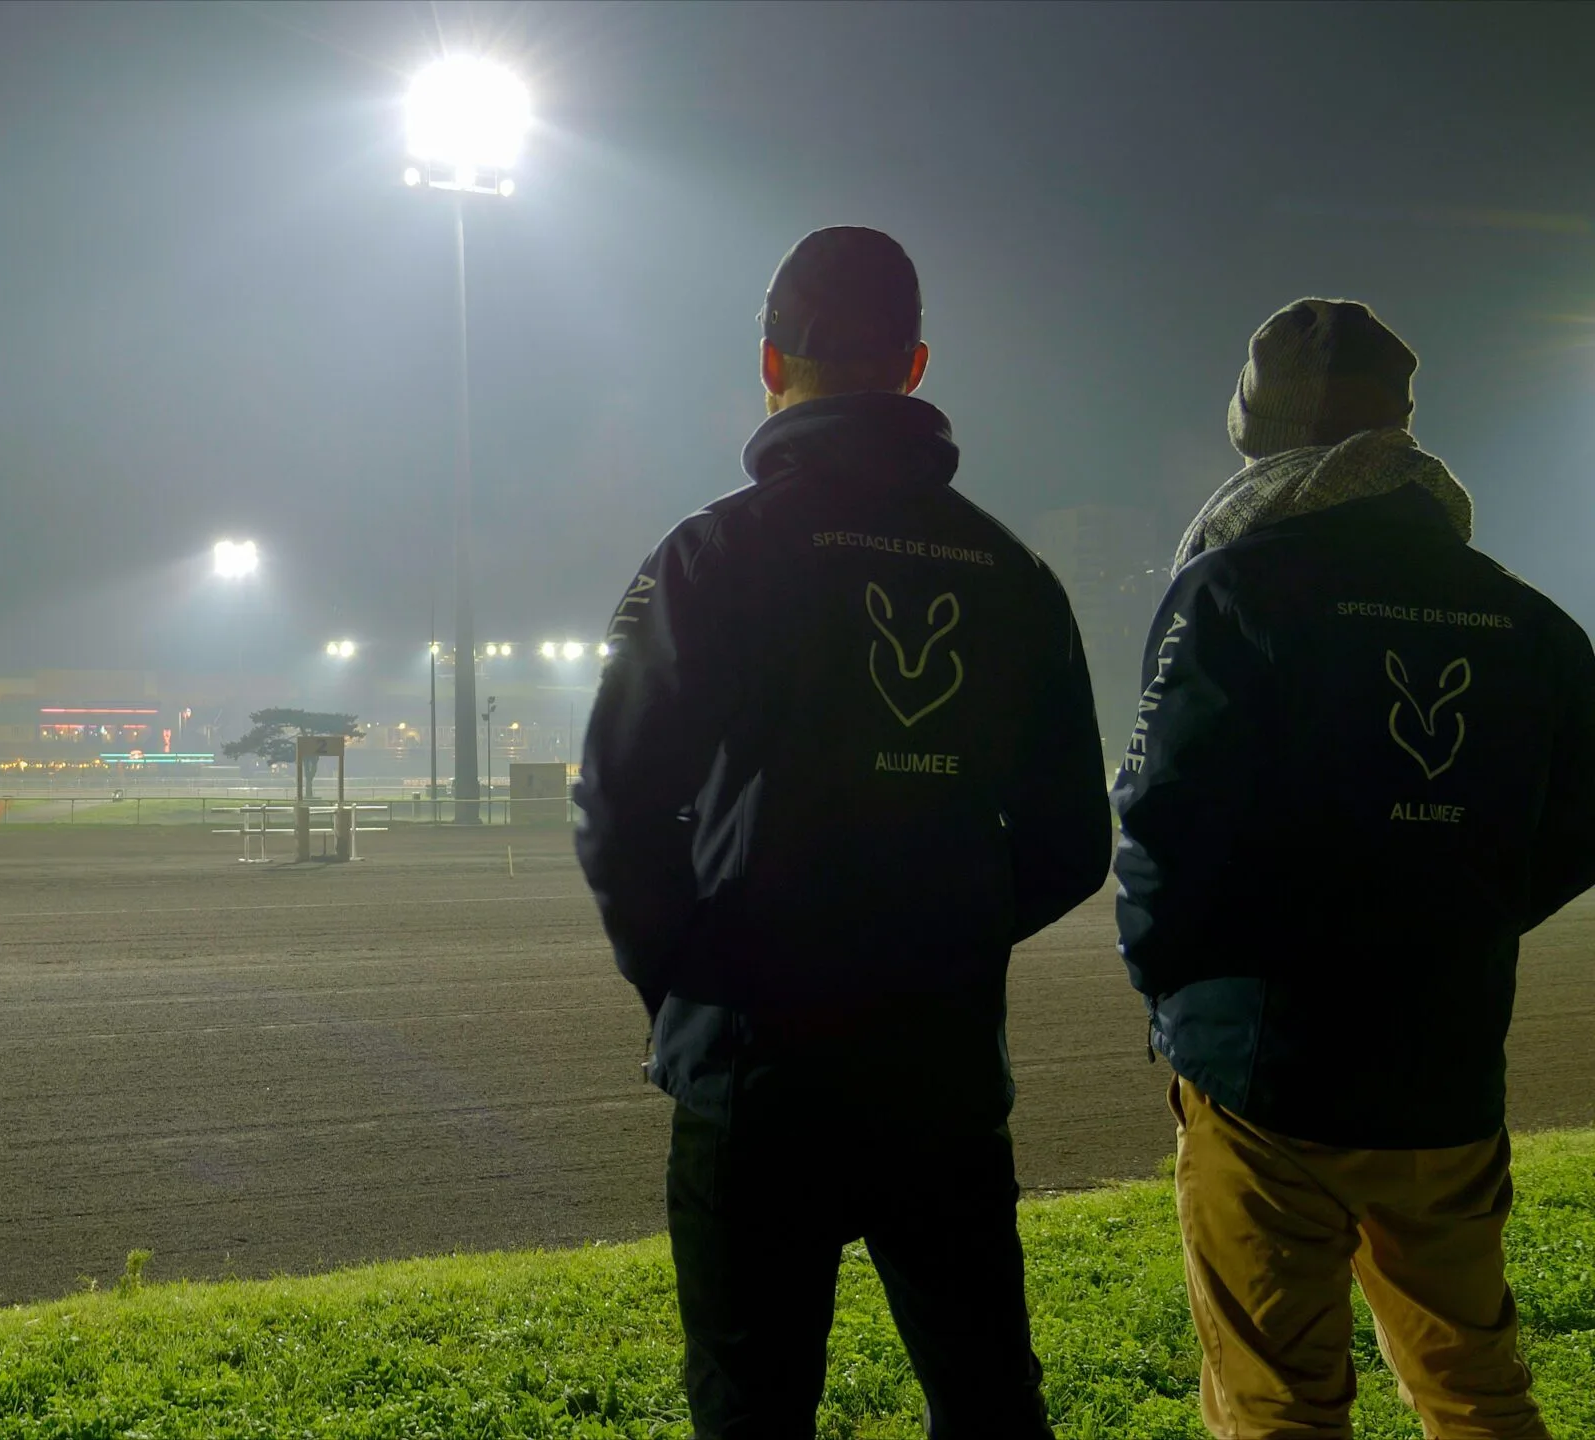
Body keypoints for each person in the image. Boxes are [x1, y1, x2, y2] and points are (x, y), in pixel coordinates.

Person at [574, 226, 1111, 1438]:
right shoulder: (1014, 574)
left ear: (770, 366)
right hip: (940, 1069)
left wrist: (692, 983)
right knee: (986, 1401)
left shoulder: (711, 553)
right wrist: (949, 925)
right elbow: (1073, 837)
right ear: (913, 364)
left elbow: (614, 806)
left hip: (755, 1072)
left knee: (751, 1408)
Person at [1114, 298, 1595, 1439]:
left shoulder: (1229, 587)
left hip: (1265, 1066)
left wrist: (1178, 1006)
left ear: (1257, 431)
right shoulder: (1521, 618)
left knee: (1279, 1402)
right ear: (1400, 432)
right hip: (1442, 1066)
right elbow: (1577, 823)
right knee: (1476, 1389)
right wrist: (1457, 911)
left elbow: (1160, 821)